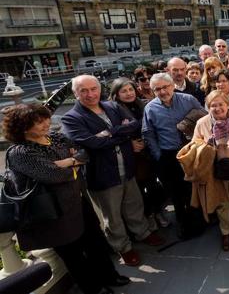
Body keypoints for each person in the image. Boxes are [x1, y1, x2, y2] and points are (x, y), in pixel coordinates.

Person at [3, 104, 130, 294]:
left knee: (95, 242)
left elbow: (83, 154)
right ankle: (94, 289)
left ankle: (109, 276)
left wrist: (66, 163)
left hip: (76, 201)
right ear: (22, 126)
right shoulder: (20, 152)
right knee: (74, 256)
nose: (46, 123)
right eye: (38, 121)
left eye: (45, 118)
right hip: (53, 213)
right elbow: (53, 175)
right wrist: (72, 164)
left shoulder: (55, 137)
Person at [62, 75, 164, 266]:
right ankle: (123, 247)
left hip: (127, 167)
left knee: (134, 205)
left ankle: (142, 233)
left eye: (93, 88)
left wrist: (108, 133)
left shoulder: (112, 106)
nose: (90, 94)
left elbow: (134, 125)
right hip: (103, 175)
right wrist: (120, 133)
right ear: (75, 93)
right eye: (83, 90)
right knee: (113, 216)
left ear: (100, 88)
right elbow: (91, 143)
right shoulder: (71, 118)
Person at [142, 73, 205, 240]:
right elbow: (148, 133)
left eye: (165, 87)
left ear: (172, 86)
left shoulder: (188, 99)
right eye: (157, 89)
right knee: (175, 194)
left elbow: (204, 118)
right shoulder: (150, 108)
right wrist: (158, 155)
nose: (162, 91)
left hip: (190, 152)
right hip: (168, 156)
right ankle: (183, 225)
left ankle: (199, 222)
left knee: (193, 189)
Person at [193, 90, 229, 251]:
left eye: (220, 104)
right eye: (213, 105)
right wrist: (208, 142)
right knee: (222, 202)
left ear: (227, 104)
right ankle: (226, 231)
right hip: (215, 168)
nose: (217, 108)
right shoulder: (202, 123)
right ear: (208, 107)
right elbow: (195, 145)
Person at [109, 78, 169, 229]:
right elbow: (114, 132)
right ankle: (148, 216)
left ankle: (157, 212)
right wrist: (129, 144)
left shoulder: (141, 105)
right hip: (133, 157)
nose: (129, 94)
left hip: (148, 151)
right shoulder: (113, 110)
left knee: (154, 186)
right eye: (124, 91)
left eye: (131, 90)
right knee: (140, 190)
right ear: (116, 94)